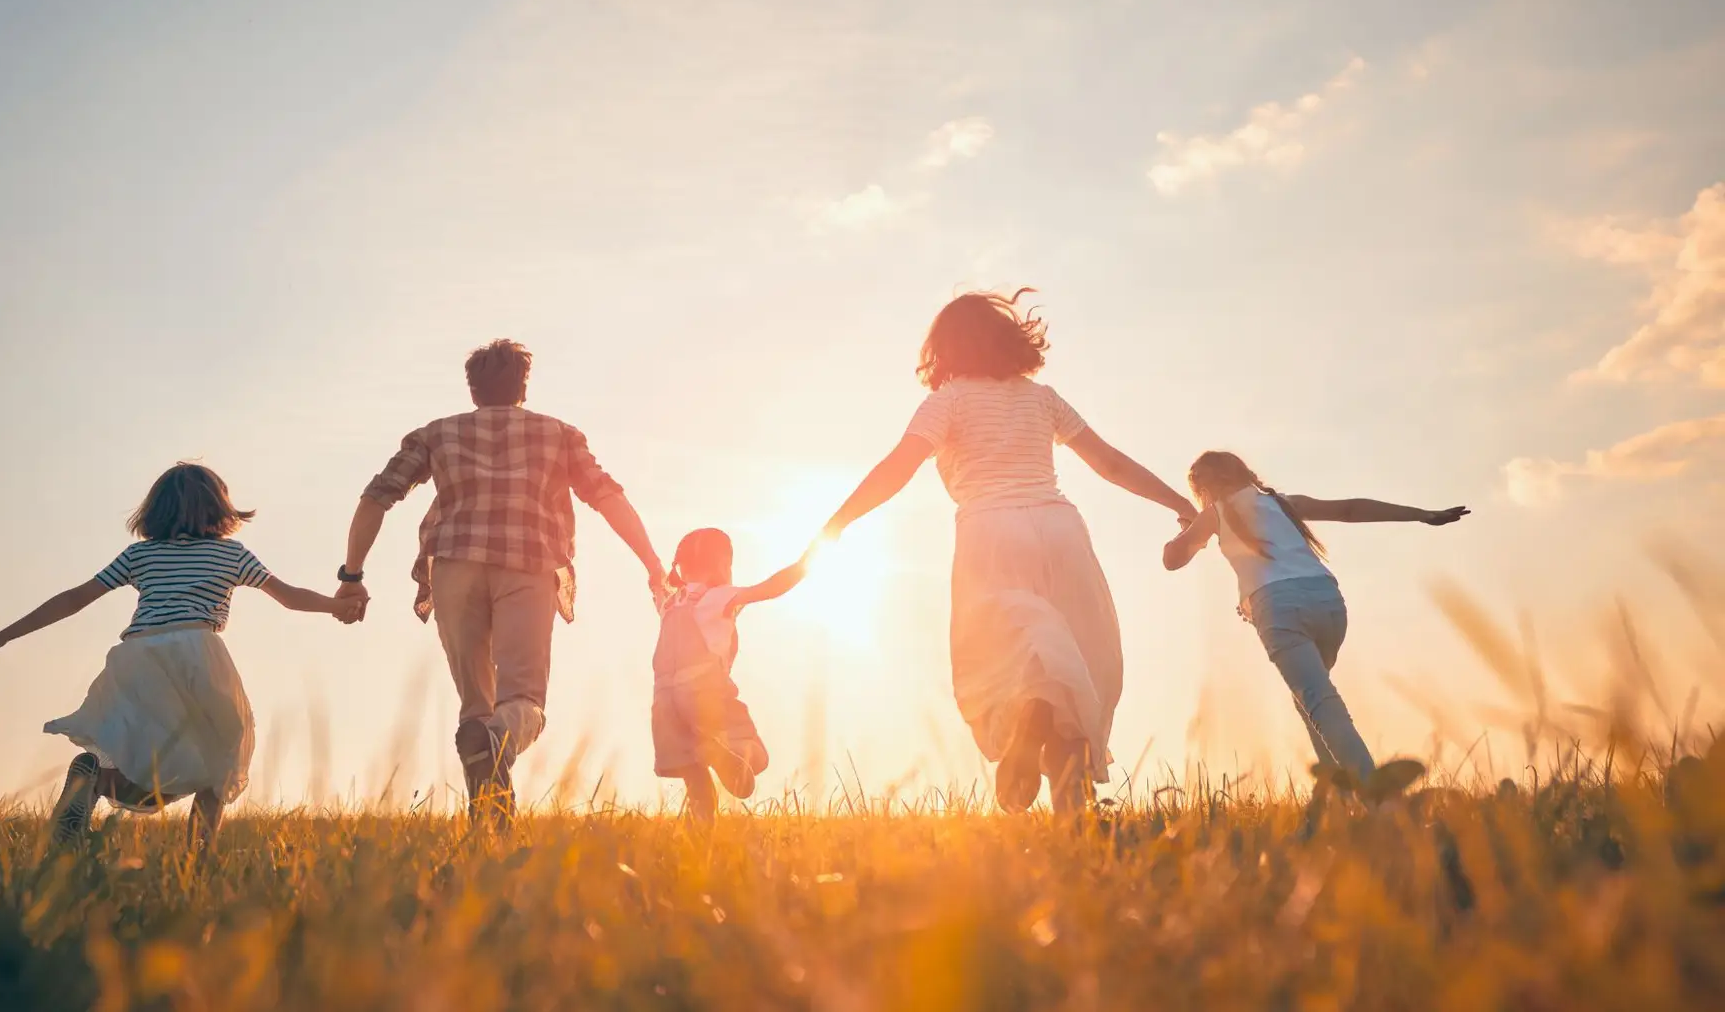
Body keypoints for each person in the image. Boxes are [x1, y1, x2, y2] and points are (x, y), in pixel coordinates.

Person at [819, 290, 1195, 814]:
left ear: (944, 348)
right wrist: (1181, 504)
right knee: (1077, 662)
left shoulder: (947, 401)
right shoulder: (1042, 399)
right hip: (1061, 529)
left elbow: (897, 467)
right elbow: (1109, 463)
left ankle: (1031, 718)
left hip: (990, 530)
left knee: (1009, 656)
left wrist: (838, 523)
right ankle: (1073, 816)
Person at [335, 339, 666, 824]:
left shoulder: (436, 434)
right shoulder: (559, 434)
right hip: (527, 563)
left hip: (454, 567)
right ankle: (494, 754)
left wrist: (352, 575)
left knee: (477, 703)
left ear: (473, 390)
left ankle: (490, 822)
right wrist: (653, 564)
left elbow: (376, 498)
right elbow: (607, 497)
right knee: (523, 700)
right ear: (523, 388)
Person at [0, 463, 362, 848]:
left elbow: (75, 598)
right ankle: (196, 860)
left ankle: (92, 781)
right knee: (222, 755)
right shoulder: (231, 554)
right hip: (198, 652)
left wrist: (0, 637)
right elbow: (288, 597)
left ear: (155, 511)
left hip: (138, 655)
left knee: (143, 754)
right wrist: (336, 605)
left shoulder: (140, 555)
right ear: (218, 506)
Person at [1162, 450, 1468, 782]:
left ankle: (1380, 803)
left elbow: (1172, 559)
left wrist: (1188, 526)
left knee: (1321, 704)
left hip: (1279, 608)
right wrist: (1423, 514)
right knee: (1310, 702)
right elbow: (1349, 509)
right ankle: (1336, 799)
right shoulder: (1281, 502)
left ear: (1203, 489)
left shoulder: (1214, 515)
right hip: (1329, 603)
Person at [651, 528, 806, 823]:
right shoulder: (719, 595)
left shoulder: (670, 602)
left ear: (681, 568)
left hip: (664, 703)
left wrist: (655, 573)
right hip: (704, 693)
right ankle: (720, 753)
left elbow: (656, 585)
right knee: (755, 759)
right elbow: (771, 588)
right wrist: (806, 562)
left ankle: (702, 839)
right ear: (724, 564)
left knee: (695, 778)